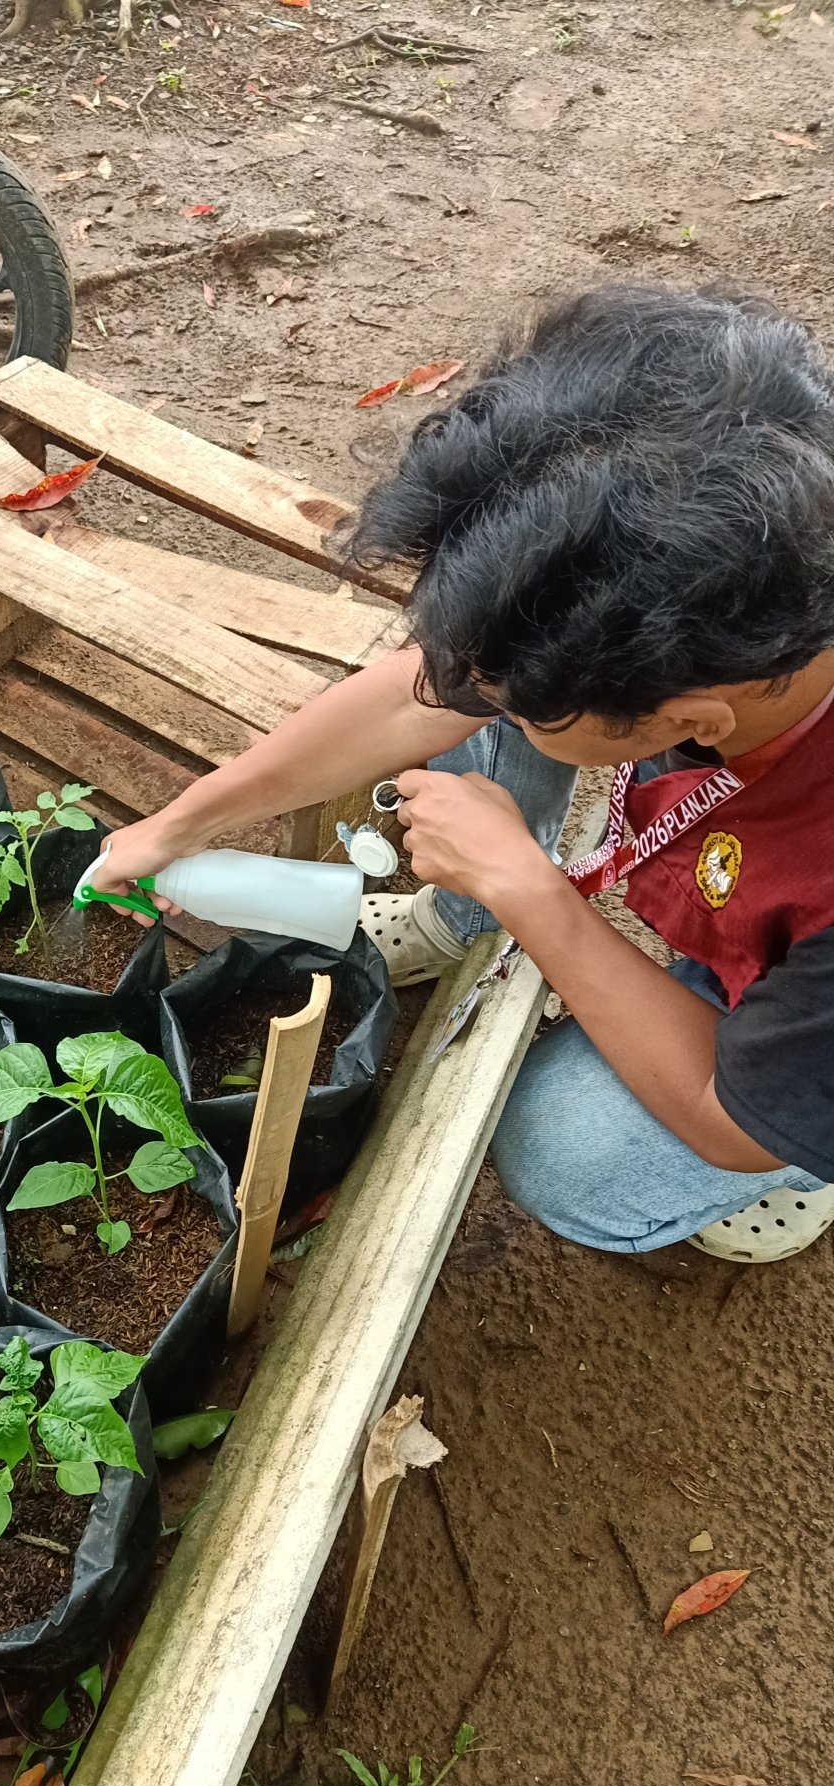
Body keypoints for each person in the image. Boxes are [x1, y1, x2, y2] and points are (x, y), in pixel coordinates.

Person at [95, 283, 834, 1263]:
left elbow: (725, 1116)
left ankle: (808, 1159)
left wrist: (527, 887)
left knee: (569, 1148)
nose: (458, 695)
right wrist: (178, 826)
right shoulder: (742, 560)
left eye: (514, 701)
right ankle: (477, 922)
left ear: (691, 719)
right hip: (750, 866)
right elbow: (417, 695)